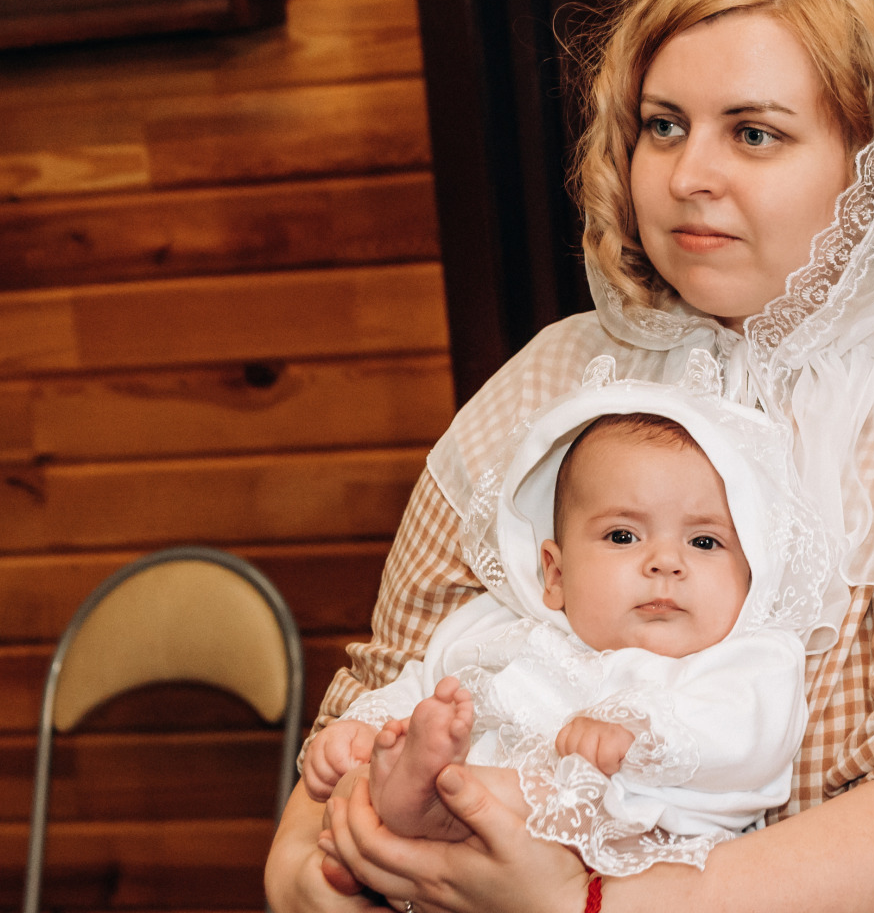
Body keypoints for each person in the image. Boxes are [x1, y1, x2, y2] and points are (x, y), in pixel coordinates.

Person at [266, 0, 874, 913]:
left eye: (756, 133)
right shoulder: (555, 379)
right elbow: (393, 677)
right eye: (662, 126)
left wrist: (593, 907)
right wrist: (304, 870)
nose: (689, 176)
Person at [302, 357, 835, 888]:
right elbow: (428, 689)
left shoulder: (747, 658)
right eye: (623, 536)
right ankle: (398, 839)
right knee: (400, 760)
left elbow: (745, 737)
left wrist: (634, 730)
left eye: (704, 542)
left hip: (632, 861)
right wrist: (365, 730)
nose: (666, 562)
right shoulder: (507, 633)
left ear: (751, 575)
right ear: (554, 574)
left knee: (533, 790)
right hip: (482, 833)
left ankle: (416, 822)